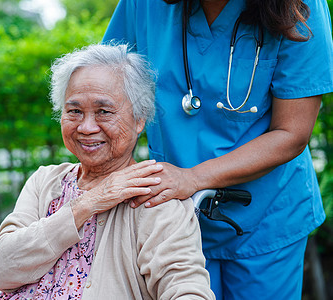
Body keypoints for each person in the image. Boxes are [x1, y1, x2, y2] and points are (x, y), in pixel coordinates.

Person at [103, 0, 333, 299]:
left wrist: (192, 178)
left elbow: (291, 133)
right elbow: (110, 90)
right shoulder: (144, 5)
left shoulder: (301, 6)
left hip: (267, 215)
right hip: (174, 217)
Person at [0, 44, 215, 300]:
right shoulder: (44, 182)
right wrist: (88, 203)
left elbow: (185, 288)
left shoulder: (154, 197)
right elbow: (1, 269)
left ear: (139, 119)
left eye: (103, 112)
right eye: (74, 111)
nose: (86, 127)